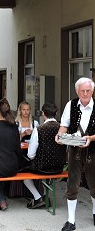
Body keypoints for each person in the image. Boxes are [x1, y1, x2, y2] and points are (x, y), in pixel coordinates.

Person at [56, 77, 95, 231]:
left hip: (93, 150)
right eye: (82, 91)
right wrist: (59, 135)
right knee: (72, 183)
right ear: (77, 91)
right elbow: (64, 125)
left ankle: (94, 212)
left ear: (92, 91)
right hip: (74, 149)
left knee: (94, 184)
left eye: (88, 91)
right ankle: (71, 221)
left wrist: (91, 138)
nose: (85, 94)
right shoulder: (70, 104)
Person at [22, 102, 67, 209]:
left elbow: (31, 154)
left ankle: (38, 198)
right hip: (59, 168)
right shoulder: (63, 129)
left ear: (43, 114)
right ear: (56, 113)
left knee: (24, 174)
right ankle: (43, 195)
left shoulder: (39, 129)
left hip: (42, 168)